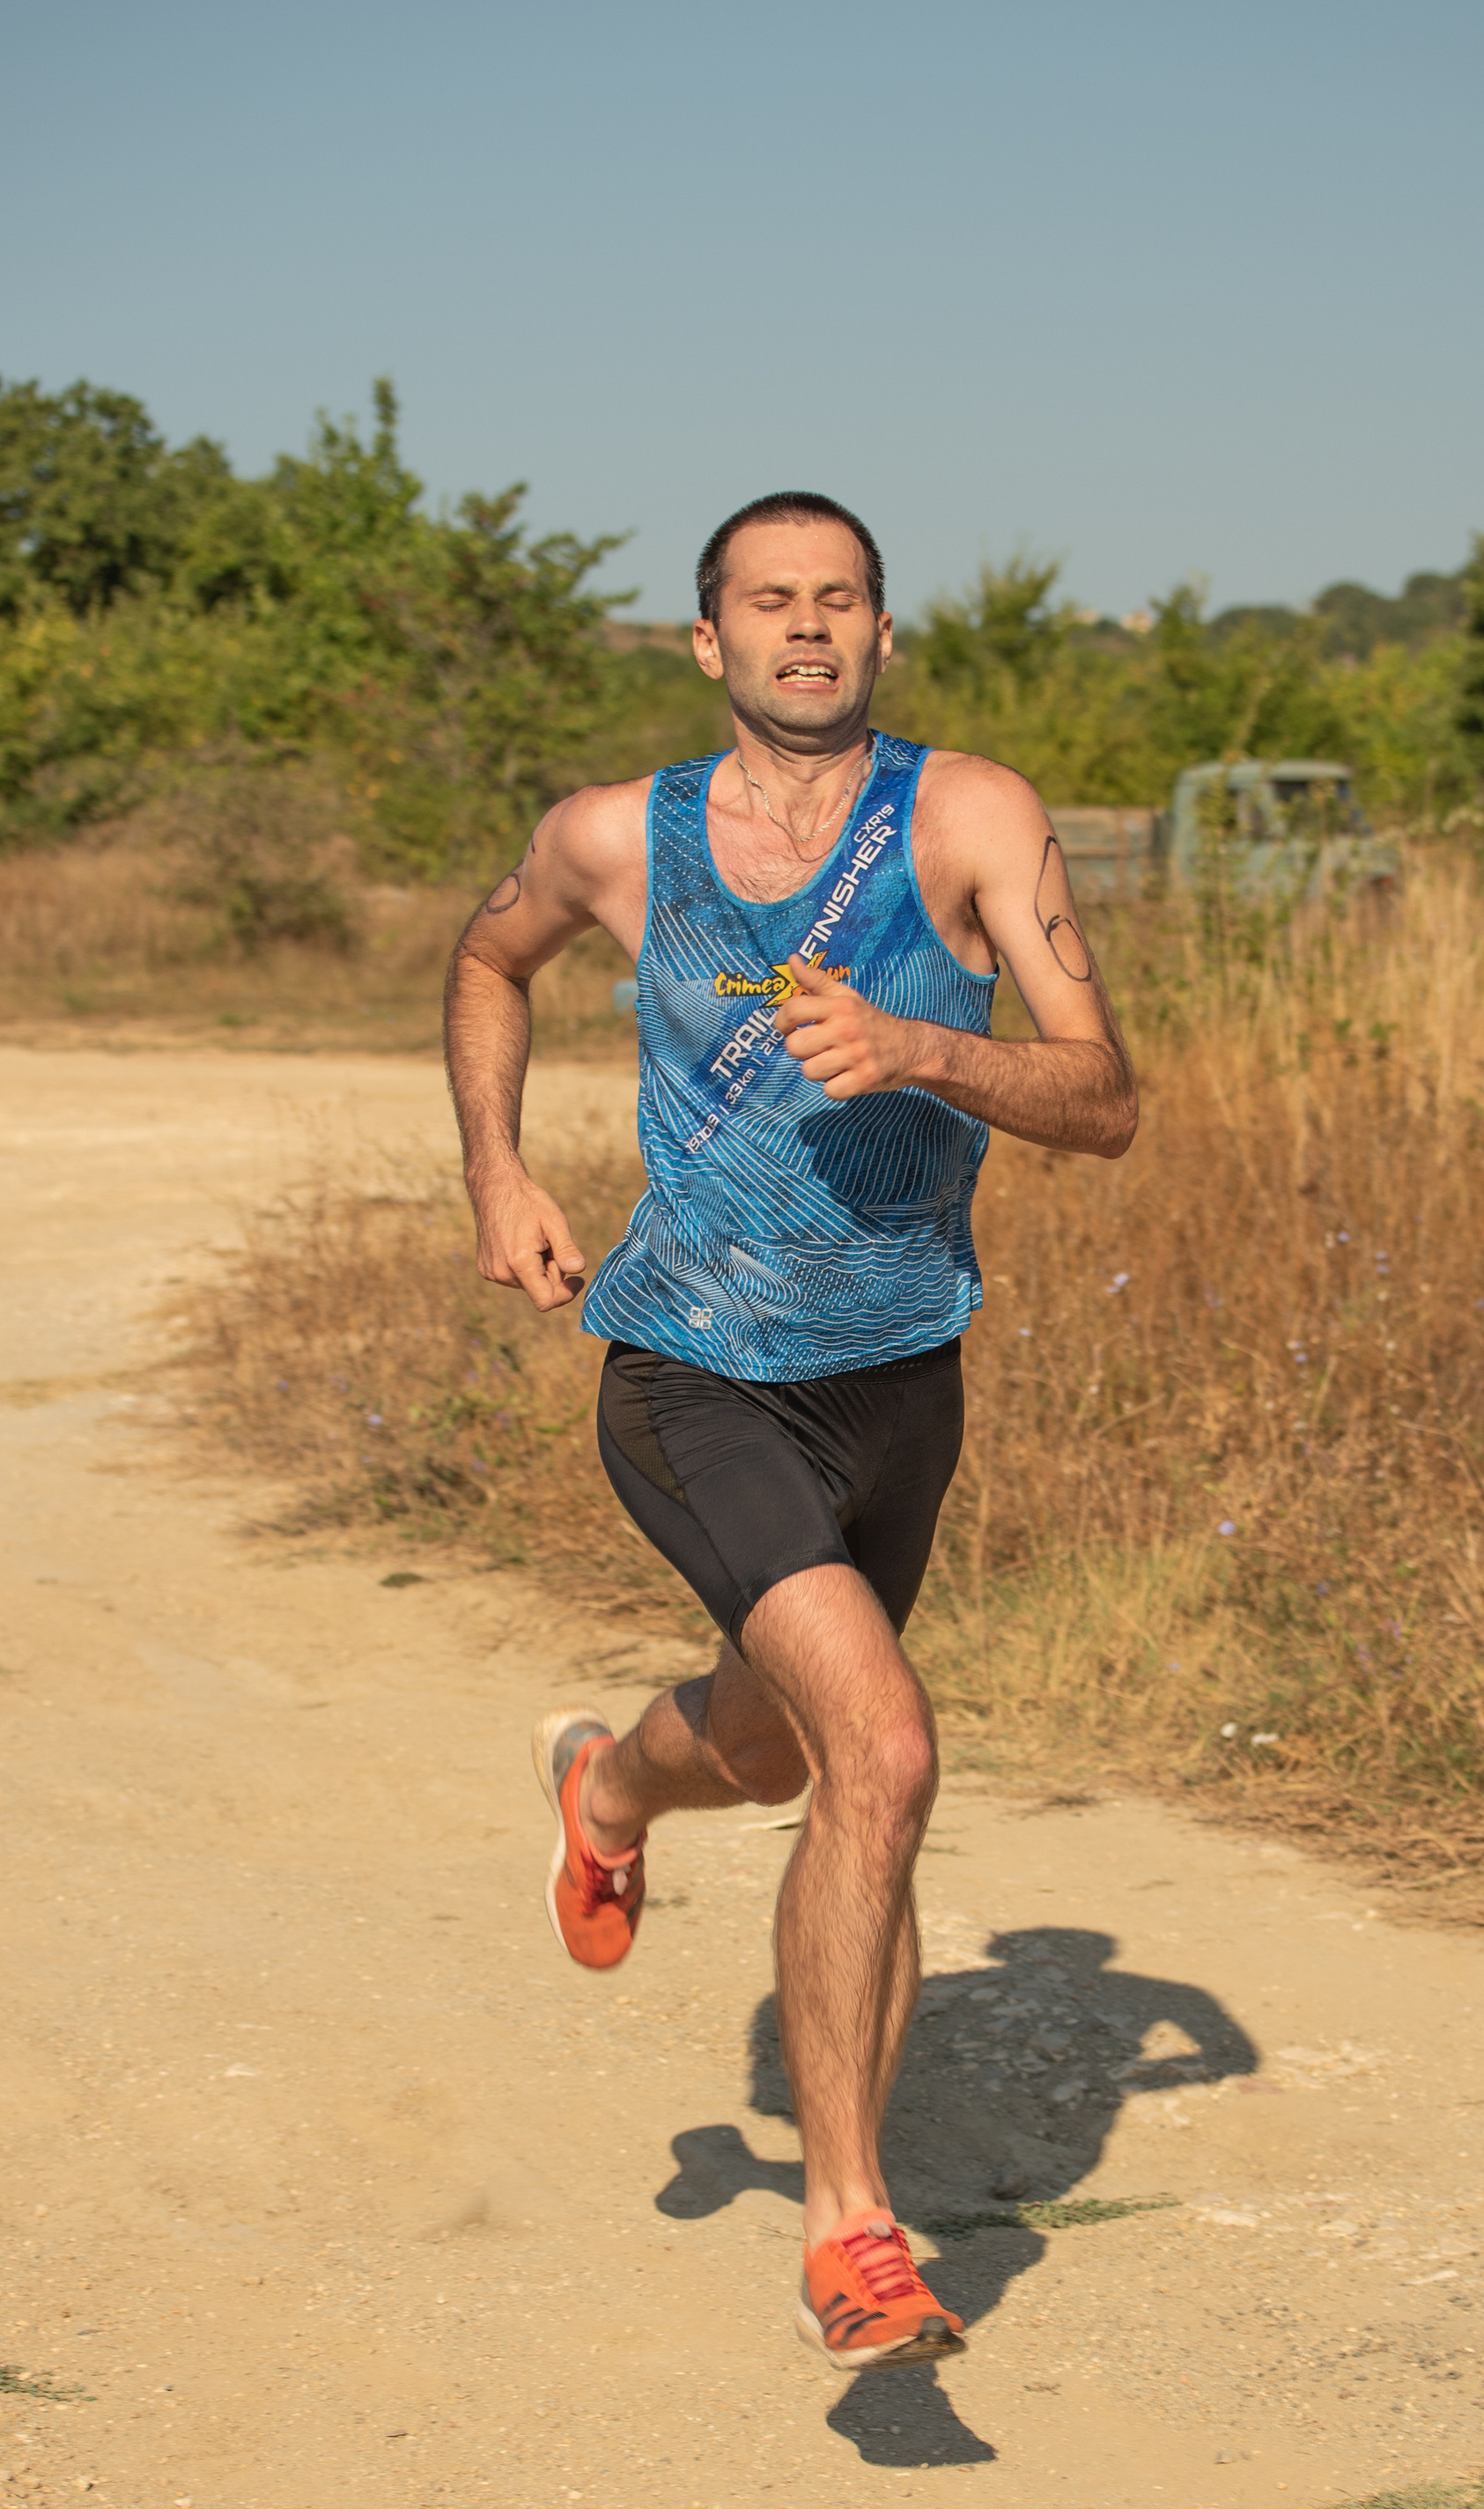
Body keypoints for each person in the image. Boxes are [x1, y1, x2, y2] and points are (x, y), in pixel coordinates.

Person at [443, 492, 1136, 2366]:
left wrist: (922, 1049)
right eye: (769, 600)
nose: (805, 627)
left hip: (901, 1377)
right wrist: (497, 1165)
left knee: (773, 1749)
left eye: (839, 599)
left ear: (882, 635)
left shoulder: (970, 818)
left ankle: (607, 1790)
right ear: (711, 641)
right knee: (881, 1753)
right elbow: (488, 959)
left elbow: (1103, 1100)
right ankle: (854, 2232)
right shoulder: (616, 838)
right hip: (694, 1370)